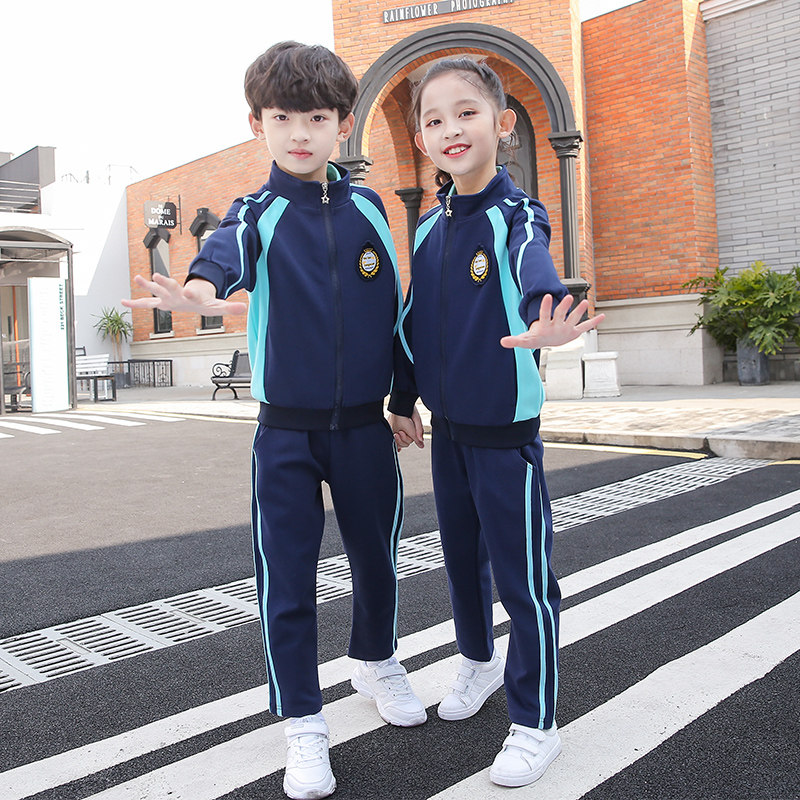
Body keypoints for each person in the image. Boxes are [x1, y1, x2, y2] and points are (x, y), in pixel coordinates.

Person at [123, 41, 426, 800]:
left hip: (364, 430)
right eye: (283, 118)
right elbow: (226, 251)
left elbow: (393, 312)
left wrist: (401, 400)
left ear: (344, 123)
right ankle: (303, 721)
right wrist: (199, 288)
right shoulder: (256, 212)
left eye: (316, 118)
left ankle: (376, 661)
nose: (300, 133)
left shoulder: (369, 207)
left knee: (378, 558)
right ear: (257, 123)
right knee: (286, 579)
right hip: (285, 434)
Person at [388, 57, 604, 788]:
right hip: (447, 431)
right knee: (461, 564)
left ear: (502, 124)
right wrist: (401, 399)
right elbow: (414, 322)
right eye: (434, 119)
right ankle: (477, 662)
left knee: (524, 581)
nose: (451, 129)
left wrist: (547, 311)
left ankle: (536, 723)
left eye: (466, 112)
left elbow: (532, 260)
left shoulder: (517, 213)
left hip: (506, 436)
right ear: (422, 139)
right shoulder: (427, 227)